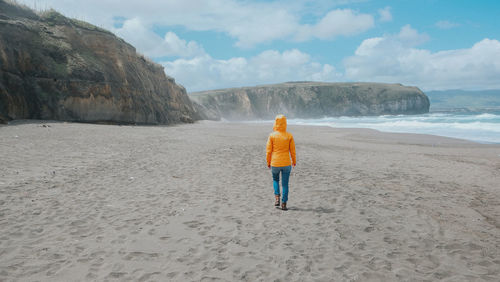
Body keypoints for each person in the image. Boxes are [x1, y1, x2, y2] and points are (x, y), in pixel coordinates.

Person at [266, 114, 296, 211]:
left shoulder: (272, 135)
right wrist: (294, 161)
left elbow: (268, 151)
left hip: (275, 163)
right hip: (286, 163)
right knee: (285, 184)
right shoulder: (289, 136)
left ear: (276, 123)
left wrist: (268, 162)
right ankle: (284, 203)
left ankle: (277, 198)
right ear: (285, 123)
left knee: (275, 180)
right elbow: (292, 151)